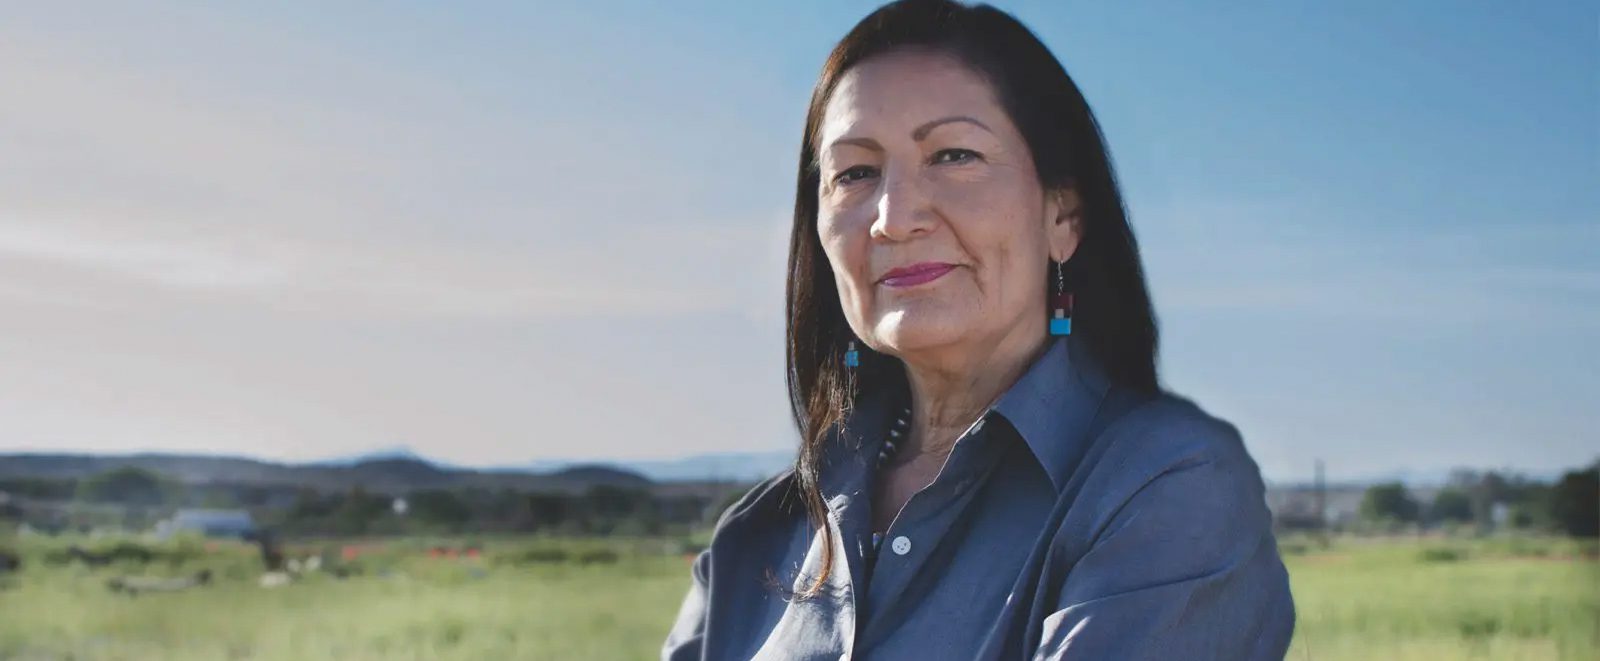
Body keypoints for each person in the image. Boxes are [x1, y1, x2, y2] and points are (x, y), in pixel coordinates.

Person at [663, 1, 1295, 659]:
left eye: (953, 154)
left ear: (1063, 216)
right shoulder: (759, 535)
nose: (893, 216)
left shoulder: (1170, 489)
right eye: (854, 172)